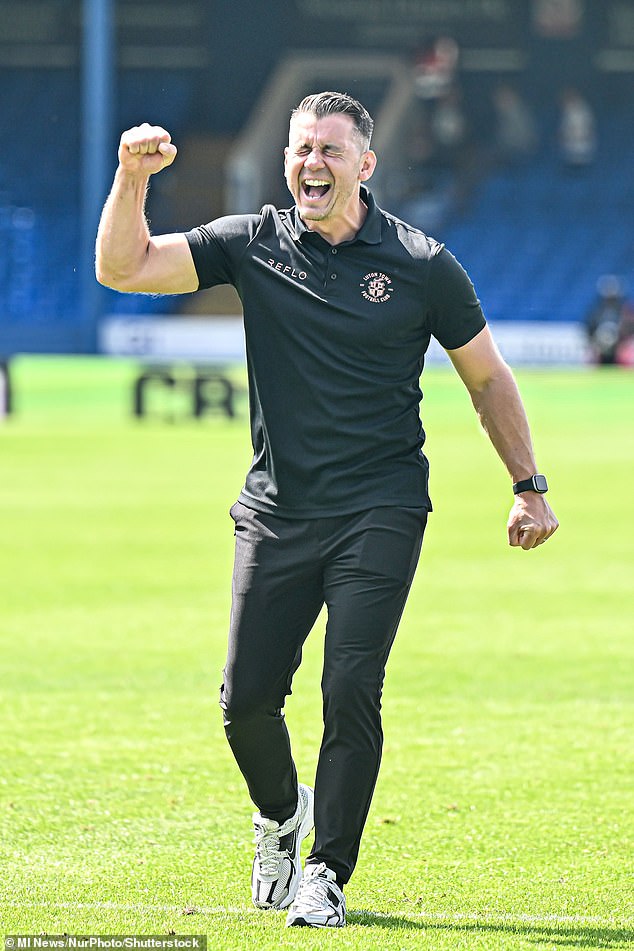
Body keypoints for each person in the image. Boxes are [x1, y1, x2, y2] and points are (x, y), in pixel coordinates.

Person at [95, 91, 559, 928]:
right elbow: (124, 269)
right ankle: (281, 816)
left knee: (352, 684)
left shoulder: (423, 265)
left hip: (381, 504)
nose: (312, 162)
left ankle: (327, 871)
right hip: (276, 510)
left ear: (366, 166)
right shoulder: (251, 243)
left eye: (330, 151)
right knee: (245, 703)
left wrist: (529, 485)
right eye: (301, 148)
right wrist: (131, 180)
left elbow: (486, 377)